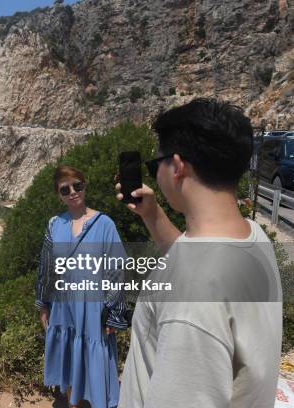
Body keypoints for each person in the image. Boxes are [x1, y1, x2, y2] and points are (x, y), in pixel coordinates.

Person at [115, 98, 282, 407]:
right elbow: (195, 257)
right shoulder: (251, 236)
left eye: (156, 166)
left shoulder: (192, 297)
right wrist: (152, 216)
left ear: (177, 167)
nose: (156, 174)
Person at [36, 165, 129, 408]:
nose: (73, 192)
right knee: (68, 357)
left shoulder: (104, 223)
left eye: (77, 185)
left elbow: (117, 269)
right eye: (65, 189)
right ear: (59, 194)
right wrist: (43, 304)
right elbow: (47, 266)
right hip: (62, 306)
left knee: (93, 358)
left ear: (84, 185)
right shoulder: (54, 224)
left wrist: (114, 314)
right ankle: (72, 404)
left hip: (92, 307)